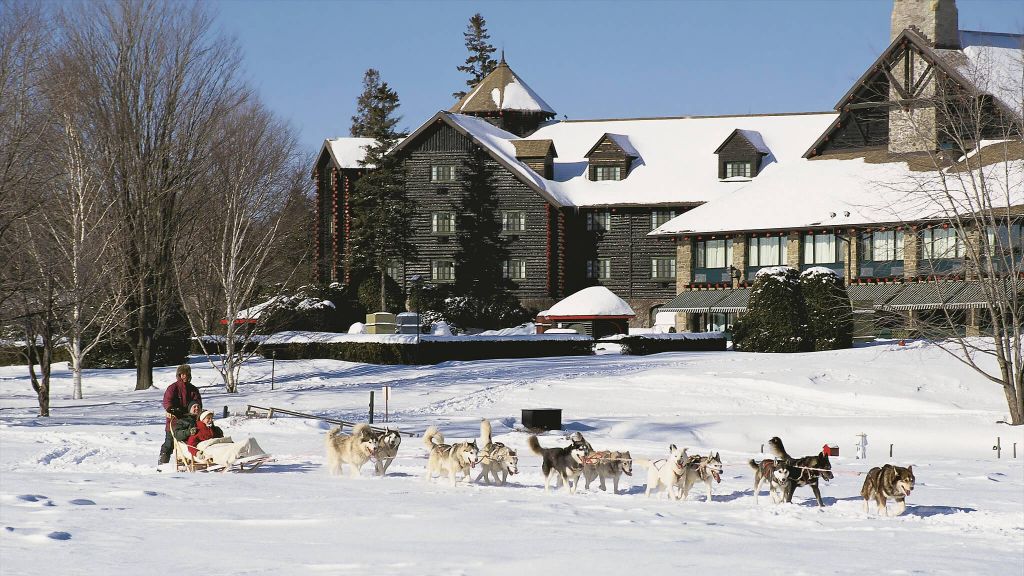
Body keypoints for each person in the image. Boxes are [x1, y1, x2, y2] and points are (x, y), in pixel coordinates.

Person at [158, 364, 202, 466]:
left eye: (186, 374)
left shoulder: (193, 389)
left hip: (189, 421)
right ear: (179, 375)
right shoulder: (173, 388)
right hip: (174, 421)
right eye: (182, 374)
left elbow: (198, 403)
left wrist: (196, 410)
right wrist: (171, 410)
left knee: (192, 441)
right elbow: (167, 401)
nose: (184, 376)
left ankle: (189, 461)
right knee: (169, 444)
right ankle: (162, 464)